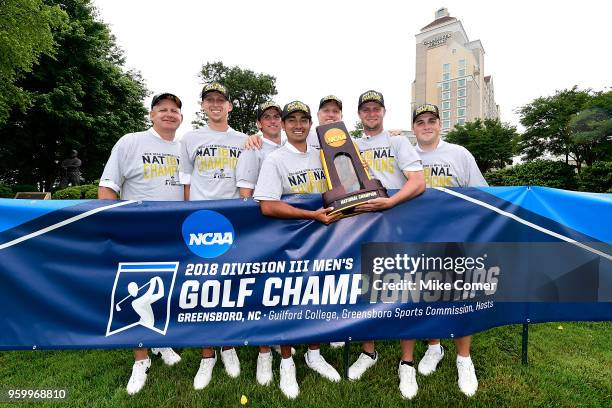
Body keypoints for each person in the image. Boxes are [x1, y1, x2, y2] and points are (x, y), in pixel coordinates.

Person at [253, 101, 342, 399]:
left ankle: (314, 353)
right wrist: (310, 215)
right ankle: (287, 361)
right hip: (288, 240)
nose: (299, 125)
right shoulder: (275, 159)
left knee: (318, 296)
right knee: (286, 301)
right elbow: (267, 205)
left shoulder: (323, 155)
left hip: (324, 238)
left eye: (304, 119)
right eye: (292, 120)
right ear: (283, 124)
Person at [98, 92, 184, 395]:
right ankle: (141, 358)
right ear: (151, 114)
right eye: (163, 109)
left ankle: (162, 342)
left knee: (166, 288)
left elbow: (188, 189)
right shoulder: (130, 141)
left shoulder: (184, 148)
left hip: (173, 231)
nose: (169, 114)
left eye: (175, 110)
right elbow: (108, 187)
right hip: (137, 231)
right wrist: (115, 226)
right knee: (134, 290)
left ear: (181, 118)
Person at [345, 90, 426, 401]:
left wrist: (389, 202)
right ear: (359, 114)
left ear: (383, 111)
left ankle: (407, 363)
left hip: (397, 223)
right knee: (365, 290)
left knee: (404, 291)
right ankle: (369, 352)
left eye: (375, 108)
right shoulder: (351, 144)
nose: (371, 113)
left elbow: (418, 181)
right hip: (361, 226)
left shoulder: (397, 142)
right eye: (365, 109)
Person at [409, 103, 487, 397]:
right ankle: (433, 347)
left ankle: (464, 359)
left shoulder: (459, 154)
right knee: (425, 296)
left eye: (432, 120)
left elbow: (480, 194)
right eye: (420, 122)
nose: (426, 125)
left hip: (455, 240)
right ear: (414, 128)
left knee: (459, 298)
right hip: (419, 239)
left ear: (440, 124)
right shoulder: (406, 154)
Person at [179, 82, 246, 390]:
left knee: (230, 286)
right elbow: (185, 180)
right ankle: (207, 353)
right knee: (202, 287)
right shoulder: (190, 138)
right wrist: (185, 214)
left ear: (229, 106)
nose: (216, 104)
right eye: (210, 100)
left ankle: (228, 345)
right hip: (201, 221)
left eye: (221, 100)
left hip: (233, 220)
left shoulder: (245, 140)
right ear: (203, 106)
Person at [234, 100, 295, 386]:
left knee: (284, 293)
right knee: (261, 293)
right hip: (261, 230)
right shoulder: (253, 148)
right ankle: (263, 353)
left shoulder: (289, 150)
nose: (272, 121)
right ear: (259, 123)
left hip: (288, 228)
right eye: (266, 117)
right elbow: (246, 195)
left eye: (276, 117)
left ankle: (287, 352)